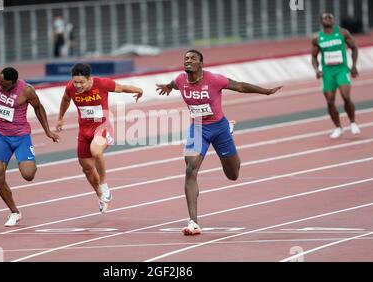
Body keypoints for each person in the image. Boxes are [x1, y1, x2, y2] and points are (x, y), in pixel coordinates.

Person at [156, 50, 282, 235]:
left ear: (201, 63)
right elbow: (174, 84)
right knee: (191, 170)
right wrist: (167, 86)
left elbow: (240, 86)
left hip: (219, 128)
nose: (188, 61)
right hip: (198, 129)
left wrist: (266, 92)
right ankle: (193, 222)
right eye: (186, 59)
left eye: (192, 59)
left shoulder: (215, 79)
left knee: (233, 174)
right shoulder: (180, 80)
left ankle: (229, 130)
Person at [0, 22, 60, 226]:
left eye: (4, 85)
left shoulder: (26, 90)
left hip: (20, 137)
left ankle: (28, 160)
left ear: (13, 83)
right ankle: (14, 211)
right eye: (0, 83)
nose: (0, 86)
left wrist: (48, 131)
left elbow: (39, 108)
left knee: (28, 175)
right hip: (1, 135)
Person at [56, 63, 143, 213]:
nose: (78, 85)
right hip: (84, 132)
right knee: (87, 169)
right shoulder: (70, 88)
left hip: (102, 127)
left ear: (89, 79)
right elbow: (65, 100)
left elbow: (121, 88)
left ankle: (103, 183)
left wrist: (138, 90)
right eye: (75, 82)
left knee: (96, 151)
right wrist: (60, 118)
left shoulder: (102, 83)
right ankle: (101, 195)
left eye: (81, 82)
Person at [312, 13, 360, 139]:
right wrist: (317, 70)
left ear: (334, 20)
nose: (328, 19)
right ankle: (338, 127)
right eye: (325, 18)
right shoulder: (317, 38)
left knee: (345, 96)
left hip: (342, 69)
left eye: (330, 17)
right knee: (330, 101)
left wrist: (354, 66)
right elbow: (313, 56)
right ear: (321, 21)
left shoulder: (343, 33)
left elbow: (354, 47)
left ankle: (353, 122)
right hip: (327, 72)